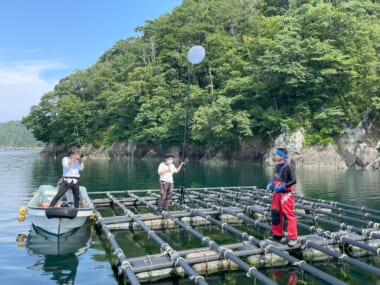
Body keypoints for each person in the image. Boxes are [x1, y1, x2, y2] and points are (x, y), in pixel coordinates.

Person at [267, 148, 298, 247]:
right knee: (275, 212)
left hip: (286, 194)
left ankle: (292, 237)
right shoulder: (276, 166)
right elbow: (276, 178)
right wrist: (272, 184)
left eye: (277, 155)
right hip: (276, 193)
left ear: (281, 156)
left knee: (287, 215)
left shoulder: (288, 166)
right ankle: (277, 235)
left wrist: (283, 186)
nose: (275, 156)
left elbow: (294, 180)